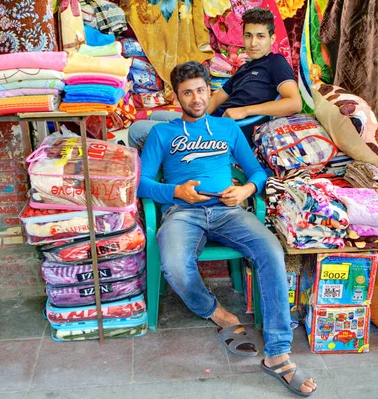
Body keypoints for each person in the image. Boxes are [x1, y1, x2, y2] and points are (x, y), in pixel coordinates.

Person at [137, 61, 316, 397]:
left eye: (201, 90)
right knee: (174, 263)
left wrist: (246, 190)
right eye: (187, 92)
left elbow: (257, 172)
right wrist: (175, 191)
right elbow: (142, 184)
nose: (195, 98)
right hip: (182, 213)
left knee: (271, 251)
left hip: (228, 211)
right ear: (177, 96)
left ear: (209, 90)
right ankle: (213, 310)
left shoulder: (227, 130)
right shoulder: (162, 133)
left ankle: (278, 353)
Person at [128, 8, 301, 150]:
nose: (253, 42)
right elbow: (217, 98)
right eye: (248, 35)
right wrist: (195, 120)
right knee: (156, 115)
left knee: (136, 130)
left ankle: (155, 174)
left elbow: (294, 103)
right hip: (211, 124)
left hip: (227, 134)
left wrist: (246, 110)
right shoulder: (244, 68)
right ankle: (168, 159)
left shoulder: (275, 62)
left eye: (260, 36)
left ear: (272, 39)